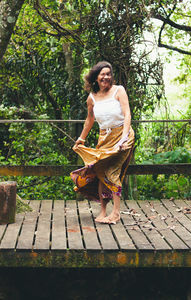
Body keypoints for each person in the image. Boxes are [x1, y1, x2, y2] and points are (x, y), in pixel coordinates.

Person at [70, 61, 135, 224]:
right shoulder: (92, 98)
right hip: (104, 138)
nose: (106, 77)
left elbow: (127, 114)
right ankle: (104, 211)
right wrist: (81, 138)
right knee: (99, 170)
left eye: (108, 74)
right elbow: (89, 119)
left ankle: (116, 213)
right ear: (96, 77)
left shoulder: (119, 90)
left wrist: (124, 138)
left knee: (112, 171)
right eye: (102, 74)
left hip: (122, 134)